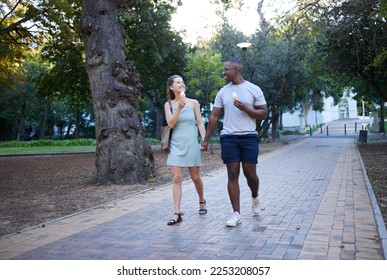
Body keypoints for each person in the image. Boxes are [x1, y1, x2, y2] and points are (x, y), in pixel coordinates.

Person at [201, 58, 268, 227]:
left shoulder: (253, 89)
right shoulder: (223, 92)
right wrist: (206, 139)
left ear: (237, 70)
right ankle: (236, 213)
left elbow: (264, 113)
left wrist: (247, 109)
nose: (224, 72)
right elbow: (214, 116)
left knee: (250, 175)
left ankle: (255, 195)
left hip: (249, 137)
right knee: (232, 174)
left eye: (226, 69)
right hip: (229, 137)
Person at [164, 75, 207, 225]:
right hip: (176, 145)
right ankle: (177, 212)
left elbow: (200, 123)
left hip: (191, 144)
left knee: (195, 177)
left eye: (183, 81)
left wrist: (204, 139)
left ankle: (201, 200)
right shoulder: (168, 104)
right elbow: (170, 124)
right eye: (178, 82)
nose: (182, 84)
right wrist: (179, 108)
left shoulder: (194, 103)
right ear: (171, 87)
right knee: (176, 178)